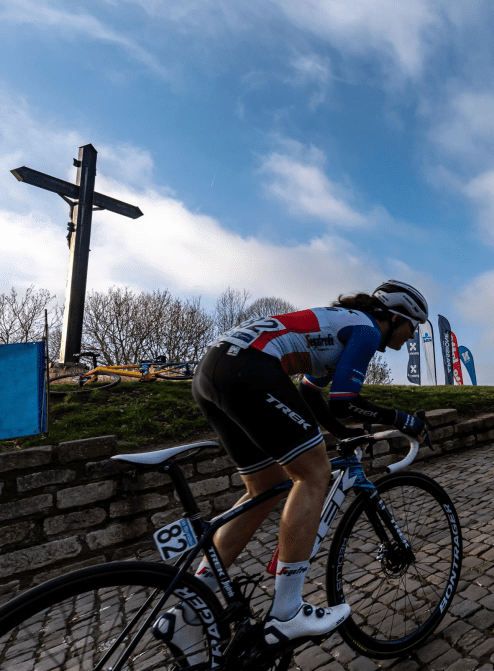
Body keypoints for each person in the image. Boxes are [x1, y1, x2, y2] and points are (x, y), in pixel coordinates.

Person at [154, 280, 429, 660]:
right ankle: (287, 612)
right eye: (413, 327)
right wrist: (403, 419)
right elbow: (345, 400)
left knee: (265, 487)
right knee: (313, 474)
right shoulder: (366, 329)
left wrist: (342, 436)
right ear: (397, 317)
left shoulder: (341, 323)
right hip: (249, 368)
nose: (412, 337)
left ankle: (188, 606)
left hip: (213, 370)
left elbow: (311, 396)